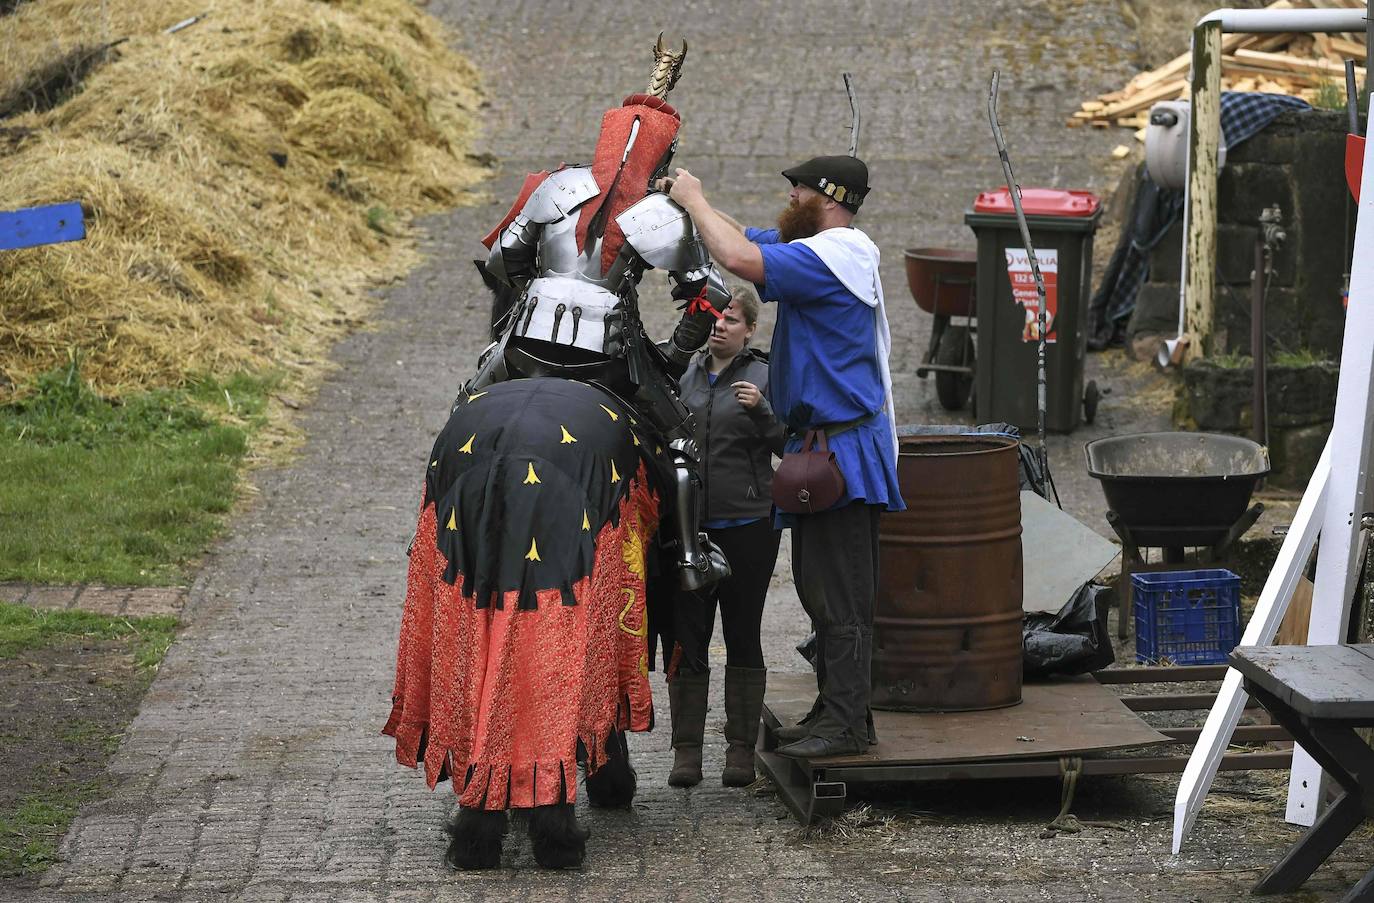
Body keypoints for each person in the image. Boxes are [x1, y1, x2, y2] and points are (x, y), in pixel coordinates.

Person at [659, 155, 904, 759]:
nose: (788, 197)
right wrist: (692, 200)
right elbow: (740, 239)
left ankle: (846, 724)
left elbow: (741, 260)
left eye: (796, 189)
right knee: (821, 587)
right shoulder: (819, 250)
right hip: (823, 448)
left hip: (841, 453)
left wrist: (693, 201)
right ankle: (838, 709)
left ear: (823, 196)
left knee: (839, 591)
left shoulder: (835, 254)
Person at [472, 37, 731, 593]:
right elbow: (707, 297)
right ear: (662, 154)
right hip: (606, 356)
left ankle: (432, 525)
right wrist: (673, 355)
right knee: (680, 441)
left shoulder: (556, 185)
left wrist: (529, 297)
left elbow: (504, 260)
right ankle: (690, 561)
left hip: (527, 337)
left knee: (466, 407)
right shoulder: (662, 213)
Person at [659, 288, 785, 788]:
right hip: (688, 526)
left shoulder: (766, 375)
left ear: (750, 329)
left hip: (748, 524)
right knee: (687, 637)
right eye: (713, 318)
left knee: (742, 632)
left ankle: (739, 750)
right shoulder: (682, 373)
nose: (719, 327)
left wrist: (761, 413)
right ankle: (686, 752)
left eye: (731, 320)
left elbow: (785, 443)